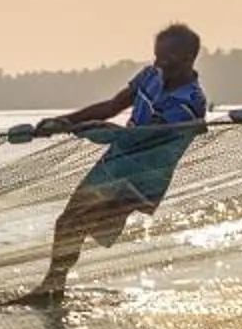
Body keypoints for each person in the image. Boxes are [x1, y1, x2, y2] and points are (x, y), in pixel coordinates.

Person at [17, 23, 209, 304]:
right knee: (67, 222)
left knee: (79, 224)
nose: (160, 64)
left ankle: (53, 290)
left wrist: (99, 130)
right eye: (157, 57)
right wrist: (67, 121)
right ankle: (53, 288)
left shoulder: (191, 101)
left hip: (141, 179)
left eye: (168, 60)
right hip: (114, 163)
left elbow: (142, 138)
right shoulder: (149, 75)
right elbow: (112, 106)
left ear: (189, 58)